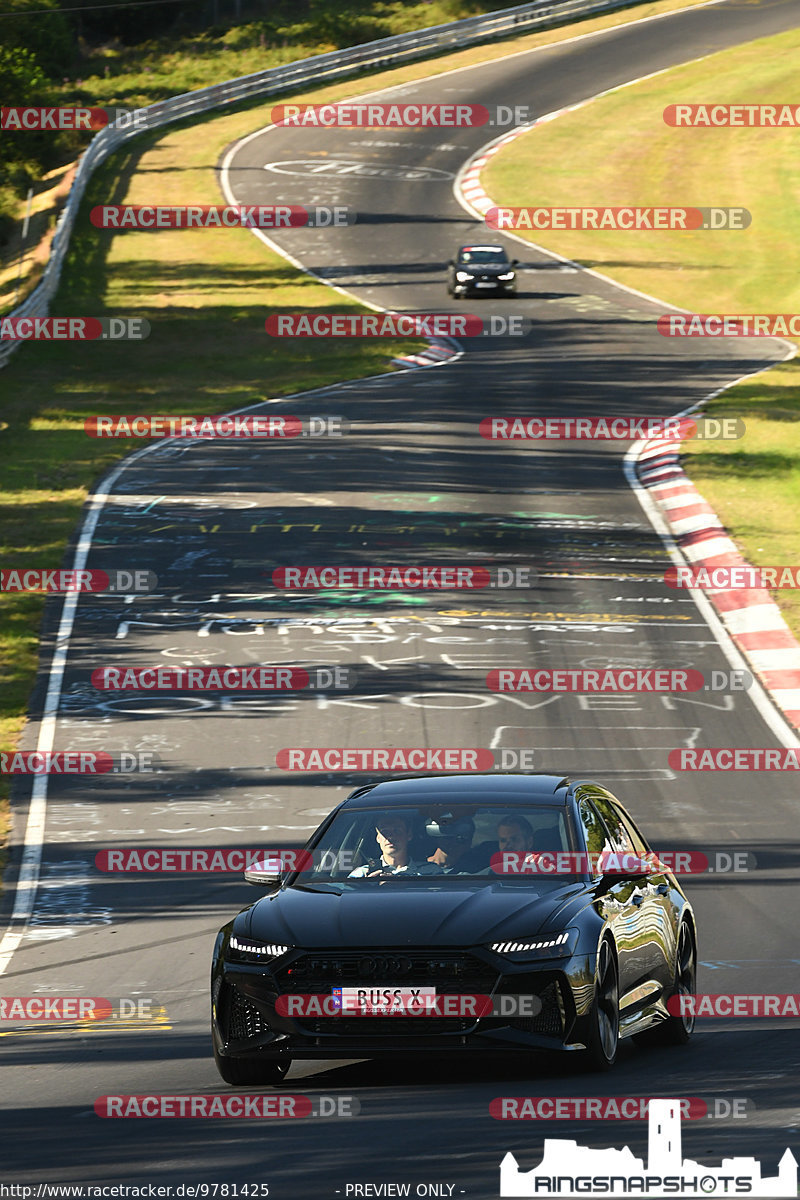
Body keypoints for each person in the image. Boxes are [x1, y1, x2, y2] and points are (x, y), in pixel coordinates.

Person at [348, 813, 443, 877]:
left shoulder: (431, 872)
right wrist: (367, 887)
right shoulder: (362, 874)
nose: (390, 837)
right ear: (378, 838)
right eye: (384, 832)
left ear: (409, 835)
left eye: (397, 831)